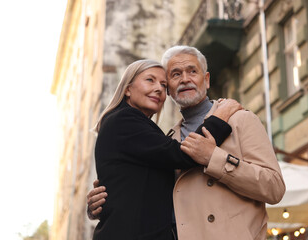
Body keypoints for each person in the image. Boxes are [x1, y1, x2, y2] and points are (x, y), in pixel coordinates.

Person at [87, 46, 286, 240]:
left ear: (206, 80)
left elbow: (275, 188)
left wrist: (214, 158)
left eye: (192, 71)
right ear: (171, 91)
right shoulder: (168, 137)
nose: (185, 79)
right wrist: (103, 202)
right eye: (174, 75)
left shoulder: (240, 120)